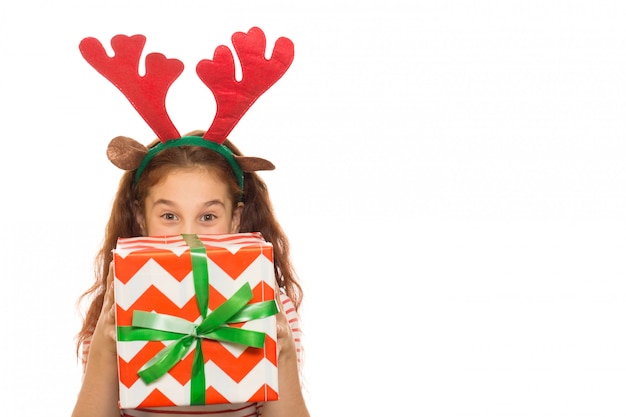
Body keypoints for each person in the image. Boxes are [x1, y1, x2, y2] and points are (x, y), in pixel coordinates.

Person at [72, 29, 310, 417]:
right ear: (139, 216)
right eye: (169, 216)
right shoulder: (115, 305)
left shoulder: (270, 302)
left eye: (208, 216)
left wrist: (279, 353)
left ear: (235, 217)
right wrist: (105, 343)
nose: (188, 234)